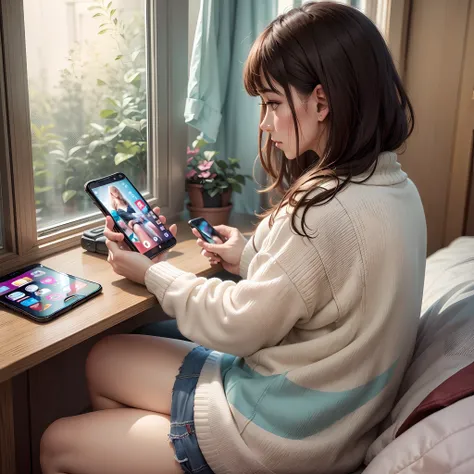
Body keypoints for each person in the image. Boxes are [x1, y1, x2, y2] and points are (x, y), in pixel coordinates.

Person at [40, 3, 427, 474]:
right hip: (326, 419)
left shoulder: (325, 210)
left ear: (321, 103)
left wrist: (152, 273)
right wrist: (249, 259)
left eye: (272, 104)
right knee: (103, 358)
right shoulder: (395, 188)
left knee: (56, 443)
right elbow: (336, 288)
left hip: (276, 435)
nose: (264, 123)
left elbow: (239, 326)